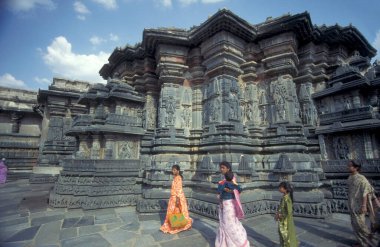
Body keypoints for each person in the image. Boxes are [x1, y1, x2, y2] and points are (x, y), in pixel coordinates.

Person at [215, 161, 249, 247]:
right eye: (221, 167)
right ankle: (225, 243)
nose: (221, 169)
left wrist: (230, 190)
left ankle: (238, 242)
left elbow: (238, 190)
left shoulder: (231, 179)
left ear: (228, 169)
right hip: (224, 204)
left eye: (223, 168)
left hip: (229, 205)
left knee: (229, 224)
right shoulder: (224, 181)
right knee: (225, 223)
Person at [347, 160, 379, 247]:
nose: (348, 167)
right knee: (354, 224)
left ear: (356, 168)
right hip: (352, 204)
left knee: (360, 225)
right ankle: (361, 241)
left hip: (359, 205)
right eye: (348, 165)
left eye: (350, 166)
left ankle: (372, 241)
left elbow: (365, 192)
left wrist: (364, 205)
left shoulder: (362, 178)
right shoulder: (350, 177)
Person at [160, 164, 192, 234]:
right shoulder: (175, 177)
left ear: (178, 171)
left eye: (174, 170)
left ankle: (185, 224)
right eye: (172, 170)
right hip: (173, 197)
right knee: (172, 212)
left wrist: (177, 200)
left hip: (178, 197)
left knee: (180, 212)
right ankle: (175, 225)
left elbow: (179, 189)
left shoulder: (178, 178)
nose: (173, 171)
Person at [275, 181, 298, 247]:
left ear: (285, 189)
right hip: (282, 219)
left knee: (286, 235)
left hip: (286, 221)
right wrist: (278, 214)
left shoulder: (287, 199)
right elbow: (281, 207)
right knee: (281, 234)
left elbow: (289, 212)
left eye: (280, 188)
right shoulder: (284, 197)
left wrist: (281, 215)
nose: (279, 189)